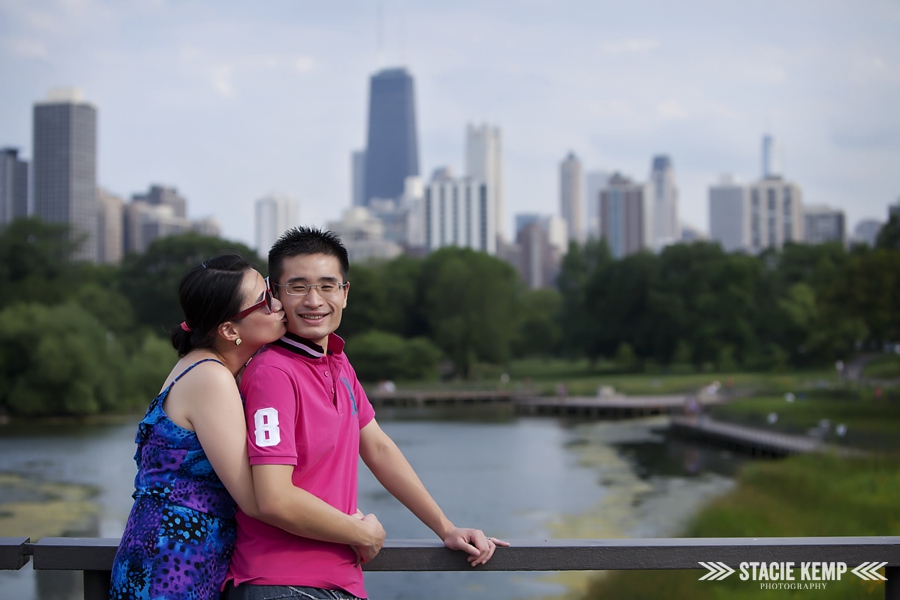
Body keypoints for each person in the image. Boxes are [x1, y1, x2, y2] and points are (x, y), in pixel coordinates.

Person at [224, 227, 508, 600]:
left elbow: (378, 448)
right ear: (274, 294)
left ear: (345, 293)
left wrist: (446, 528)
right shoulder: (272, 372)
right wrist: (361, 533)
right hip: (282, 582)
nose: (314, 300)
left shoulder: (339, 364)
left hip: (335, 581)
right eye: (297, 287)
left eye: (327, 285)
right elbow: (273, 497)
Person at [109, 254, 290, 600]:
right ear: (229, 330)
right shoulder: (211, 378)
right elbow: (255, 500)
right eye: (265, 300)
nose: (278, 303)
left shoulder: (198, 367)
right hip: (172, 564)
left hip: (168, 550)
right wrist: (343, 525)